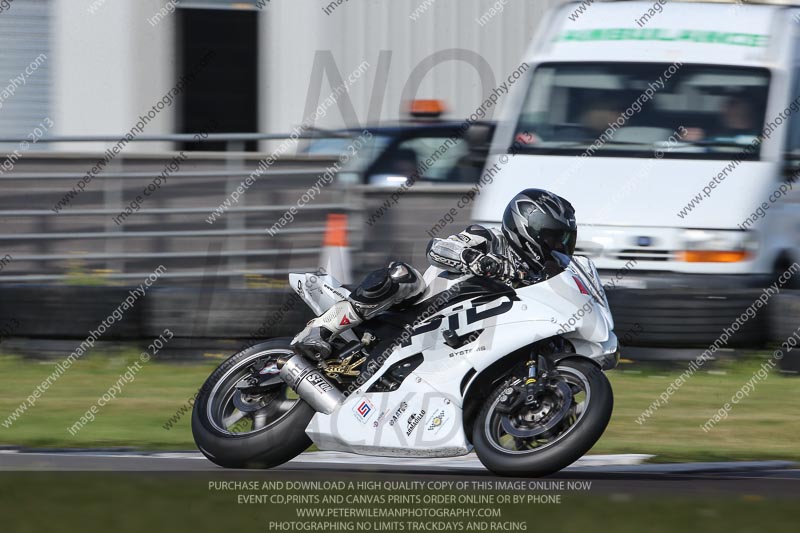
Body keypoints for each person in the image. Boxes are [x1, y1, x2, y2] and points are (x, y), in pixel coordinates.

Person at [291, 189, 578, 361]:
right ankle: (322, 329)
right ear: (529, 226)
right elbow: (439, 248)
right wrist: (477, 259)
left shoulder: (537, 276)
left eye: (563, 240)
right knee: (403, 275)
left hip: (464, 336)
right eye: (553, 238)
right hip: (423, 308)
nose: (557, 247)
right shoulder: (488, 238)